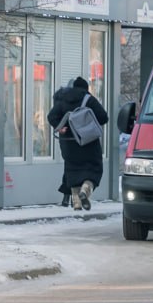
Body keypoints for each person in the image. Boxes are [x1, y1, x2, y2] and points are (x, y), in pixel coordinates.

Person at [47, 76, 109, 211]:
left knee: (73, 171)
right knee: (94, 169)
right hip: (88, 143)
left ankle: (76, 203)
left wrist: (60, 127)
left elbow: (51, 116)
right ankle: (85, 190)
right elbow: (104, 117)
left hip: (68, 145)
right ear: (85, 88)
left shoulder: (62, 99)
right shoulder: (88, 99)